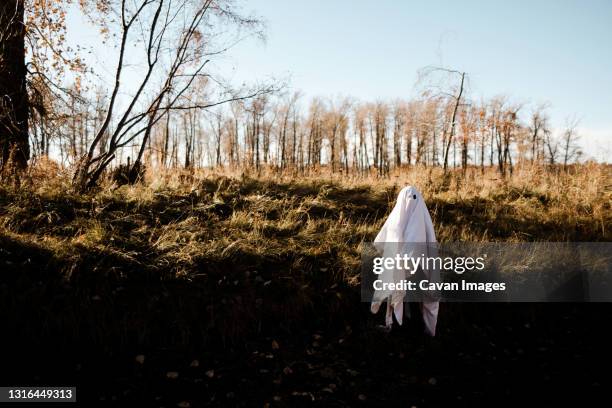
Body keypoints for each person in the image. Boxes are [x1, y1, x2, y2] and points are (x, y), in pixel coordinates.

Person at [370, 186, 439, 336]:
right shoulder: (396, 220)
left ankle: (416, 327)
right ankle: (393, 324)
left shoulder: (422, 221)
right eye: (407, 199)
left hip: (418, 273)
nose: (410, 202)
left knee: (417, 297)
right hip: (400, 271)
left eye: (414, 198)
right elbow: (385, 241)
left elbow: (427, 248)